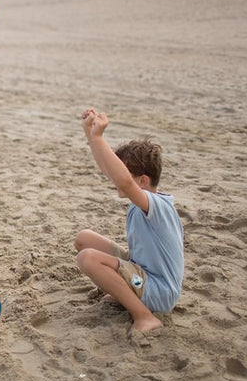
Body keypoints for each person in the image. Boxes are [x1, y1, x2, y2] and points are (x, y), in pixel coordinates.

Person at [74, 108, 184, 334]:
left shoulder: (157, 205)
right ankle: (121, 291)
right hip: (141, 271)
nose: (114, 179)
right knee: (84, 239)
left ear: (143, 180)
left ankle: (144, 316)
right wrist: (90, 134)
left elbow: (124, 182)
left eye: (123, 174)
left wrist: (98, 137)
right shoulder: (144, 202)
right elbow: (112, 172)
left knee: (88, 259)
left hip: (158, 291)